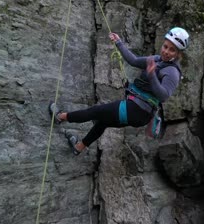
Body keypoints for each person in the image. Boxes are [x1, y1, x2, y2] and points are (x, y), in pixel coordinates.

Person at [50, 27, 189, 155]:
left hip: (138, 110)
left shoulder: (172, 72)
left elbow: (163, 95)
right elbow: (134, 61)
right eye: (165, 46)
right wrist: (119, 43)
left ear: (178, 54)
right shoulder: (157, 60)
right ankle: (79, 147)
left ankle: (60, 117)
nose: (166, 51)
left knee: (95, 112)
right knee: (103, 122)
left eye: (172, 50)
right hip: (137, 110)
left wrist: (152, 75)